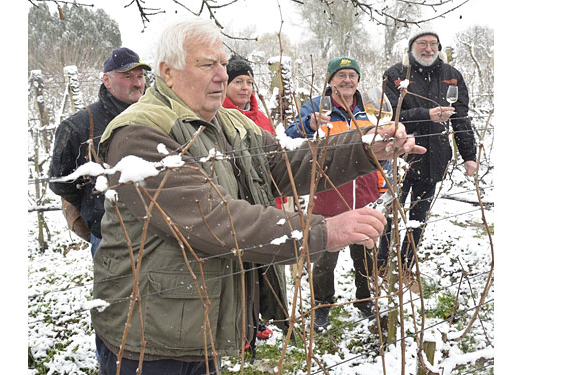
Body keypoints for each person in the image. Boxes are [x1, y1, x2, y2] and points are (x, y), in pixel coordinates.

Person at [91, 17, 424, 375]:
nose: (221, 74)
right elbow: (211, 220)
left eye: (222, 62)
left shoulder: (229, 123)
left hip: (194, 320)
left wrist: (364, 147)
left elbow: (285, 165)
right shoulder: (139, 133)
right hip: (147, 336)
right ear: (168, 73)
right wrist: (322, 232)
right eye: (208, 64)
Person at [285, 57, 384, 332]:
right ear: (330, 81)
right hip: (327, 197)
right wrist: (308, 124)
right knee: (324, 258)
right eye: (341, 75)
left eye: (352, 75)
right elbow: (289, 138)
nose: (347, 80)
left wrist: (381, 183)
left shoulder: (369, 111)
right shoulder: (316, 108)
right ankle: (322, 305)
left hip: (363, 196)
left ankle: (365, 301)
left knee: (364, 255)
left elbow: (380, 151)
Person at [379, 28, 477, 272]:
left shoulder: (451, 75)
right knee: (388, 214)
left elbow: (461, 118)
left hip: (435, 158)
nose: (429, 49)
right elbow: (389, 116)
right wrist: (426, 115)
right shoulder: (395, 74)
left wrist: (469, 156)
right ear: (411, 47)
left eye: (433, 44)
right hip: (399, 157)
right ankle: (380, 265)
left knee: (419, 219)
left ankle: (405, 267)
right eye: (423, 43)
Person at [49, 47, 151, 258]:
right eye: (127, 76)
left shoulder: (153, 117)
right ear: (106, 80)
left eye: (140, 76)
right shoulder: (78, 126)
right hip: (109, 236)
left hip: (155, 231)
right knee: (116, 290)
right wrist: (93, 207)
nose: (137, 83)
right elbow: (61, 181)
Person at [222, 55, 284, 344]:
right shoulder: (219, 118)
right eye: (238, 82)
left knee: (266, 269)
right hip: (240, 206)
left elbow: (274, 164)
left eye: (249, 82)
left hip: (267, 202)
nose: (245, 87)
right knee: (242, 270)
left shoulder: (261, 118)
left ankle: (260, 319)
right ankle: (242, 327)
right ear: (226, 84)